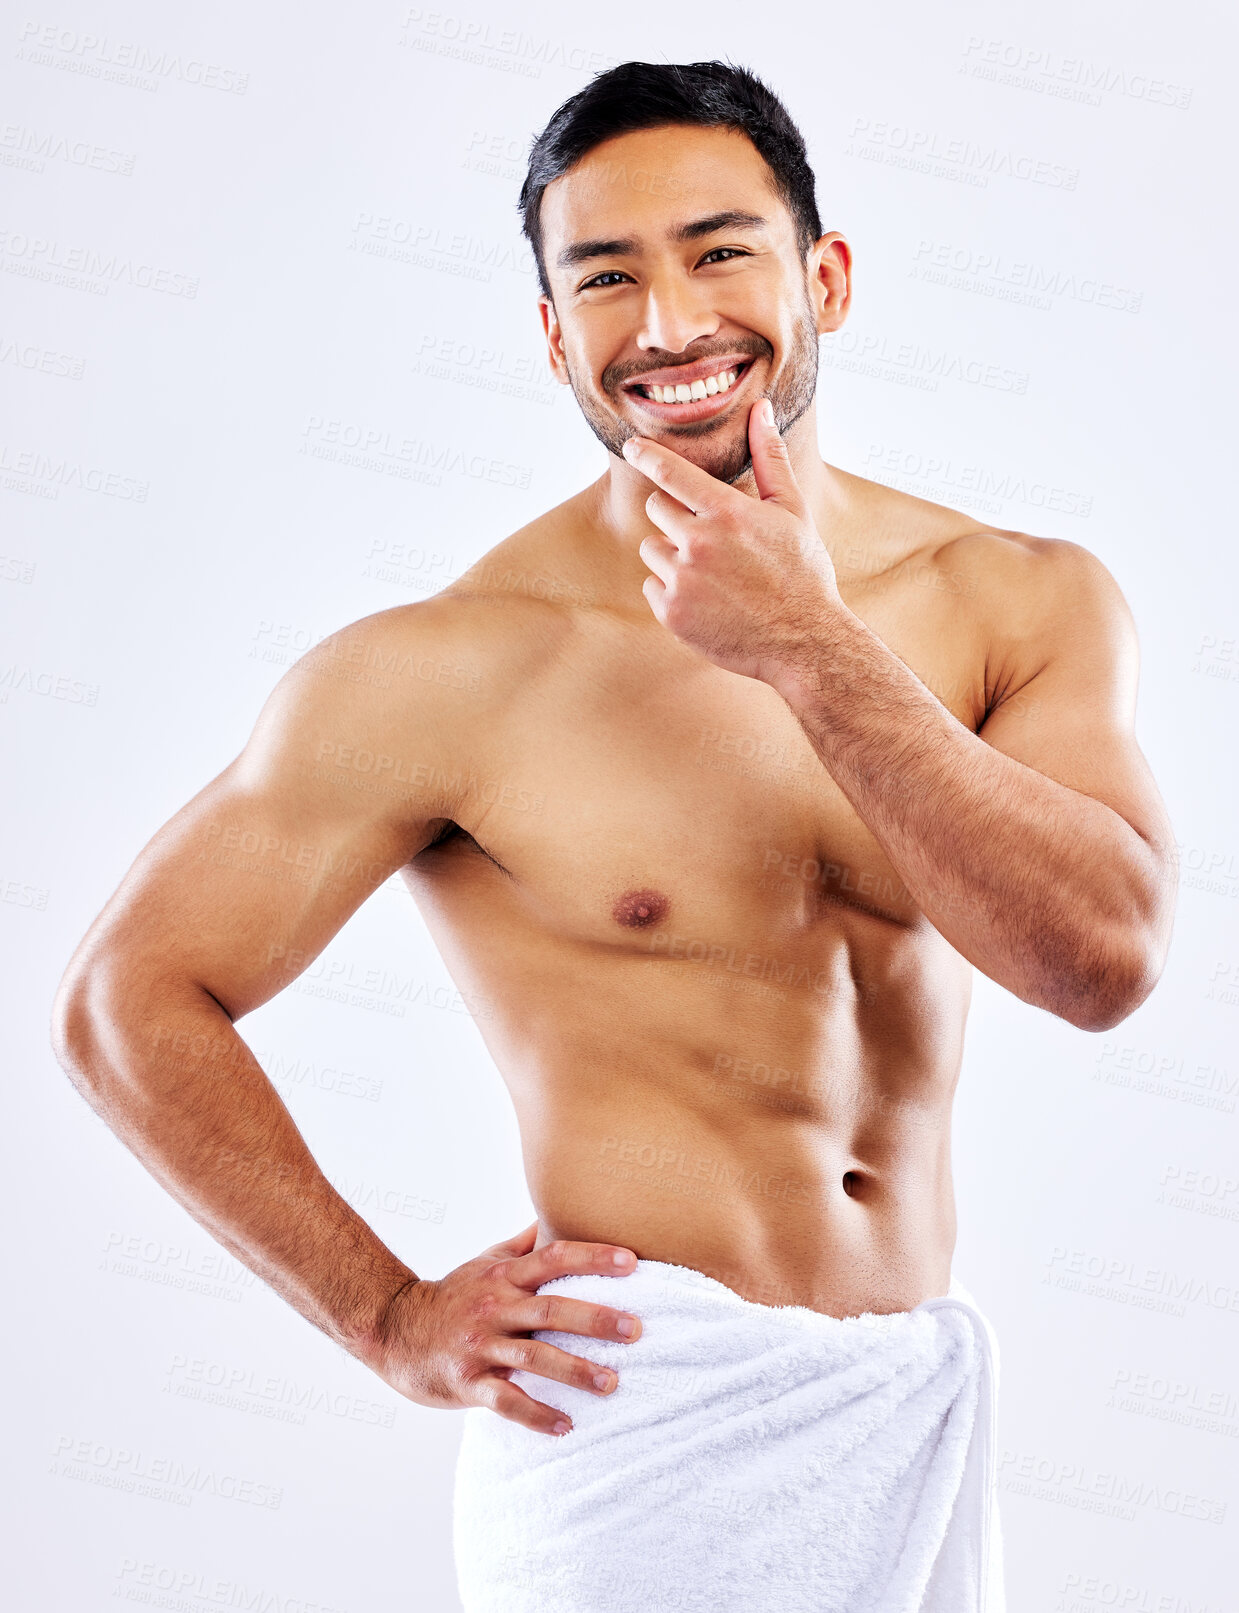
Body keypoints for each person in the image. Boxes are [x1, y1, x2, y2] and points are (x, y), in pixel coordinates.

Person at [51, 59, 1177, 1613]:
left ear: (824, 278)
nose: (668, 325)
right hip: (639, 1436)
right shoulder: (447, 669)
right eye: (606, 278)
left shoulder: (1016, 599)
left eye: (719, 252)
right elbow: (126, 999)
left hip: (910, 1406)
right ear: (551, 336)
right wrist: (387, 1318)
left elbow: (1104, 960)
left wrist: (812, 649)